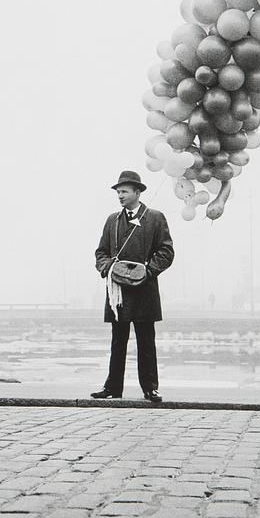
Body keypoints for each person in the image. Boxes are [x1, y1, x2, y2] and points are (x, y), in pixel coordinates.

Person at [92, 170, 174, 402]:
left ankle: (150, 388)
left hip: (145, 290)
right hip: (117, 292)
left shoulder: (155, 218)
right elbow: (101, 252)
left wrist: (147, 271)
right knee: (118, 340)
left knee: (146, 340)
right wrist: (107, 267)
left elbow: (166, 252)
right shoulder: (112, 220)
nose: (120, 195)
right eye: (118, 192)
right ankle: (112, 388)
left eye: (124, 191)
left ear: (138, 192)